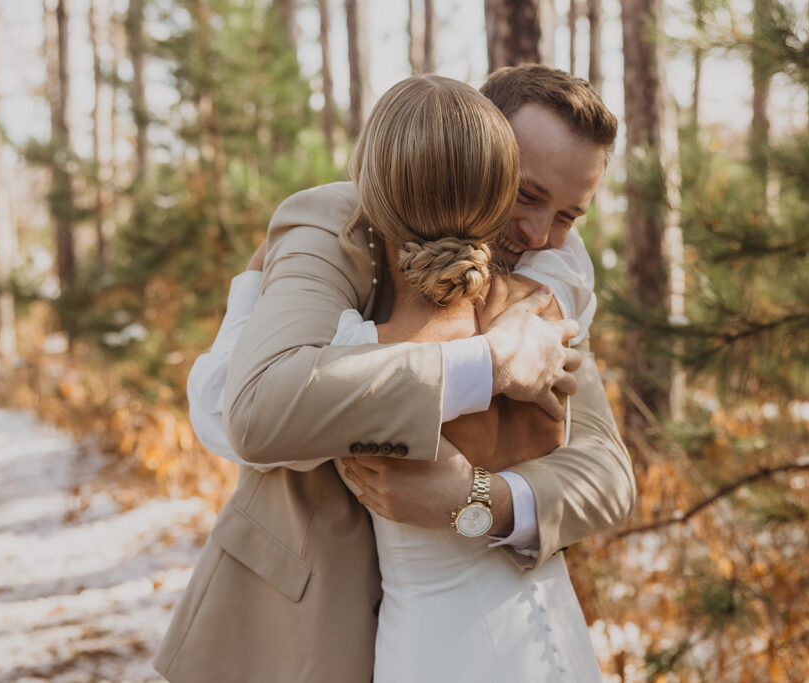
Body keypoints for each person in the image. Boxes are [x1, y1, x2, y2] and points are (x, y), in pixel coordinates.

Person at [154, 66, 633, 683]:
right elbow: (238, 410)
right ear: (478, 151)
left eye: (570, 215)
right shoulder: (336, 223)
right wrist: (486, 364)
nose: (540, 233)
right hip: (300, 624)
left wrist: (476, 500)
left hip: (480, 628)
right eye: (528, 194)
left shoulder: (549, 273)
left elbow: (605, 472)